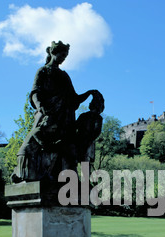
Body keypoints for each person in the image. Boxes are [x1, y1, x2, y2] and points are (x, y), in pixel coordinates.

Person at [12, 40, 104, 182]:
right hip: (49, 113)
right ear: (53, 53)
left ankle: (63, 176)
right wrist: (39, 106)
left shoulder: (64, 76)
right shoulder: (43, 71)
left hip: (65, 117)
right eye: (61, 55)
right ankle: (29, 172)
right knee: (39, 138)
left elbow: (74, 99)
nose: (62, 59)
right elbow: (35, 92)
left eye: (65, 57)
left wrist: (90, 93)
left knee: (67, 146)